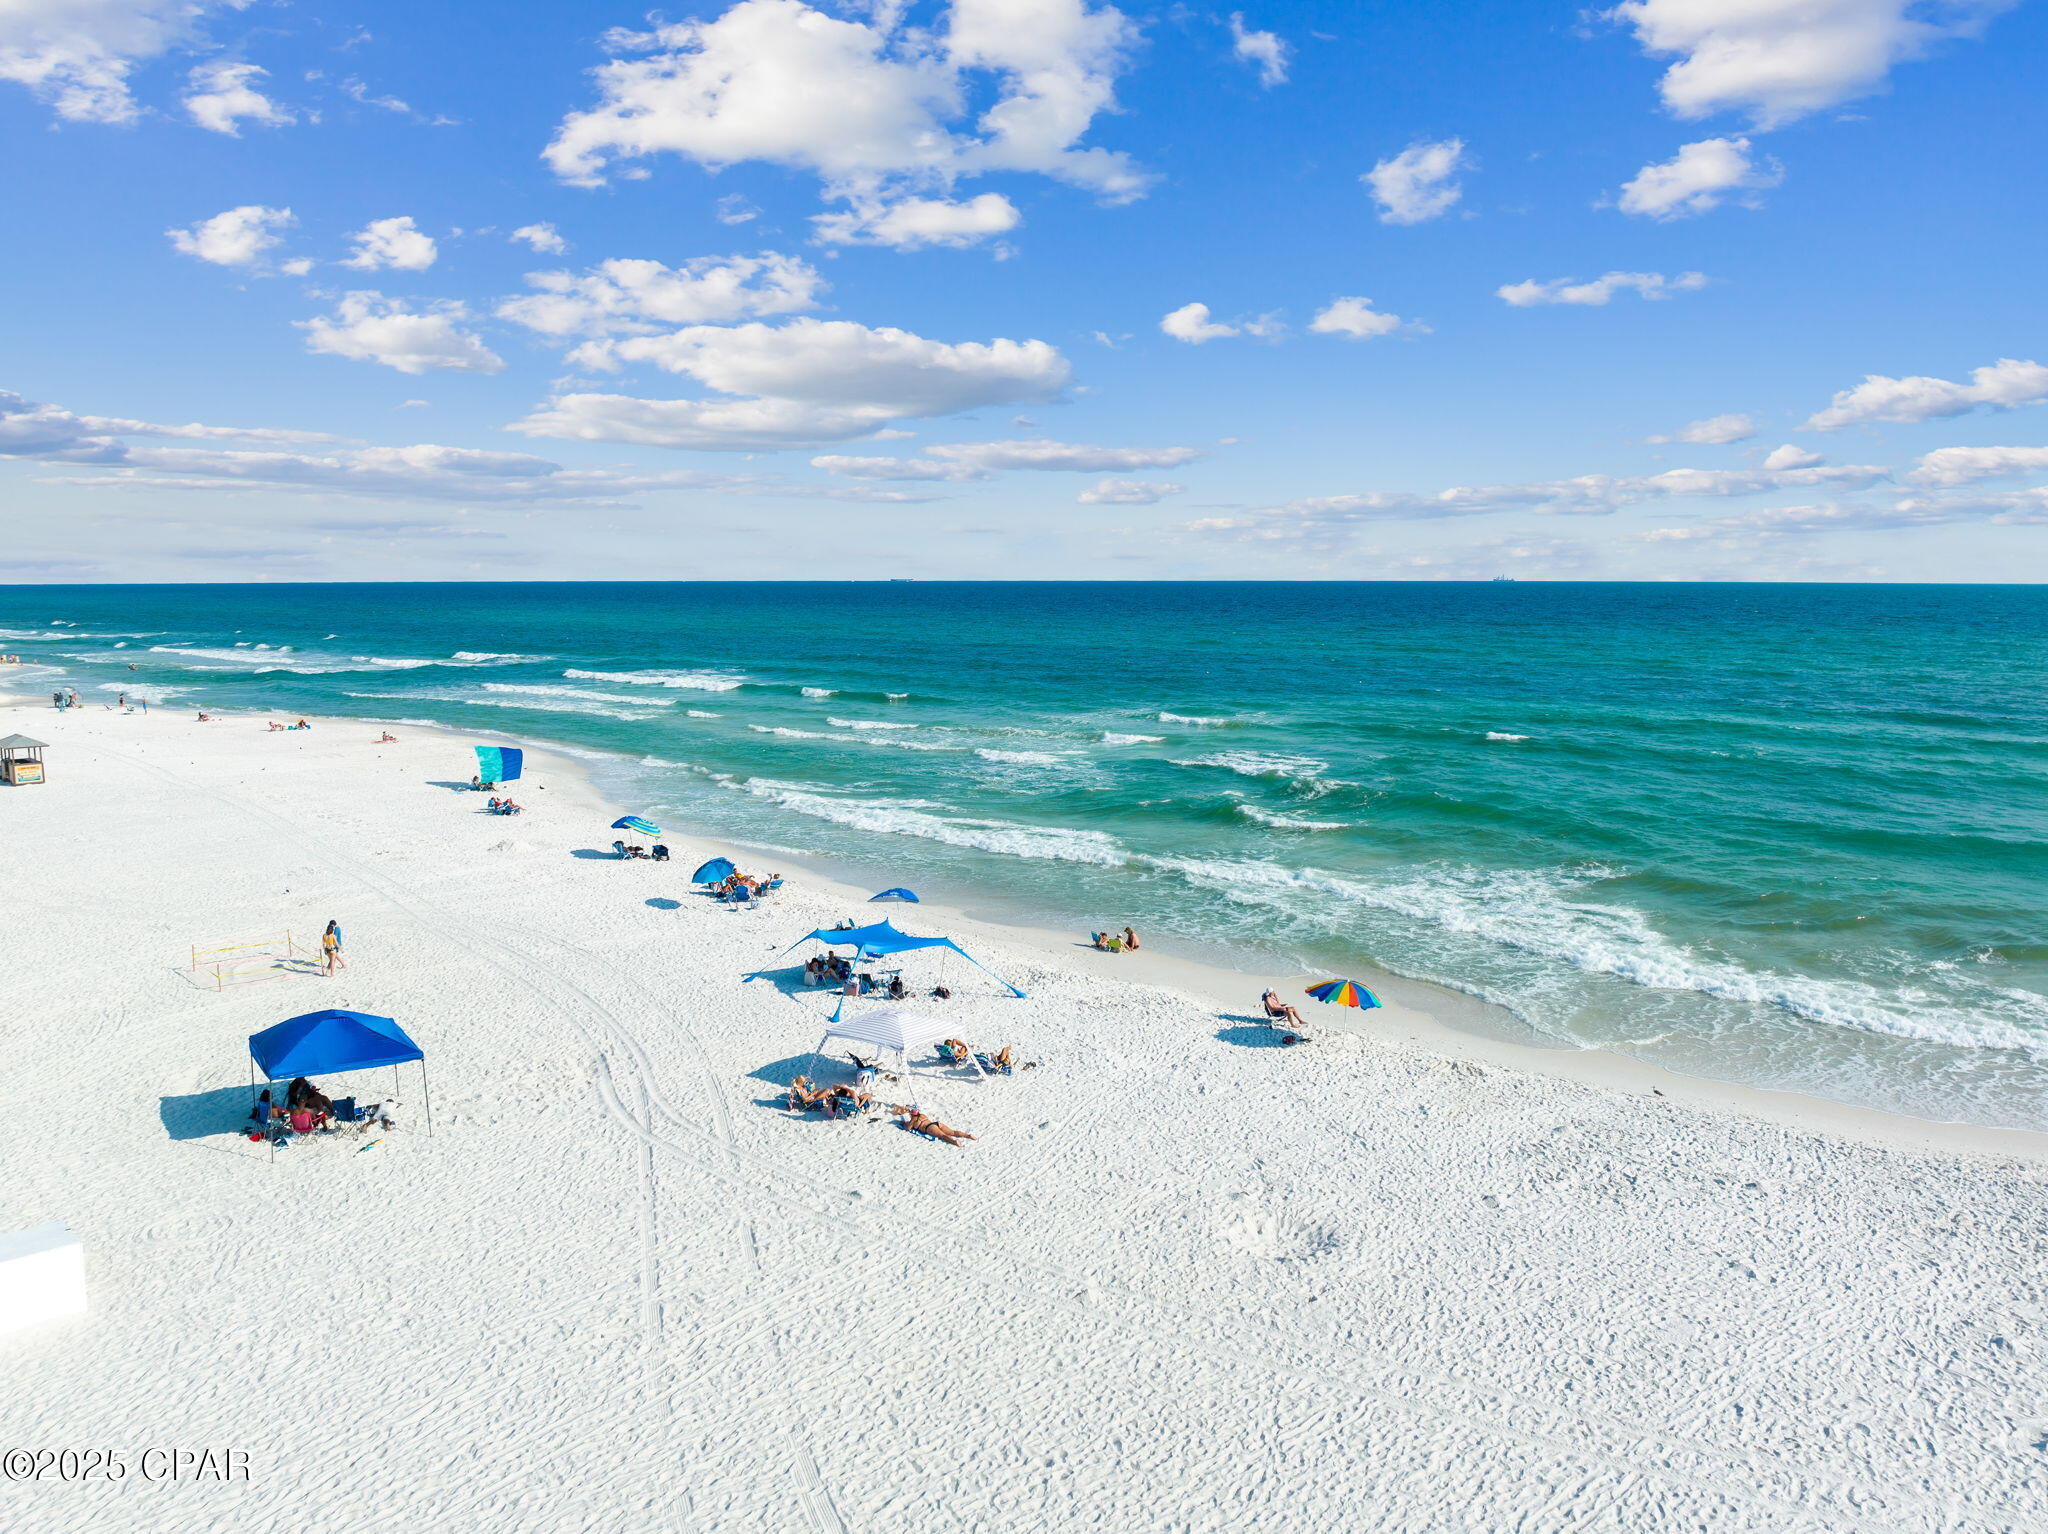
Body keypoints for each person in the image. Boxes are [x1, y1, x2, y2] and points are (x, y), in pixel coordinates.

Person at [892, 1107, 976, 1147]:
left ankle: (954, 1142)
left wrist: (903, 1123)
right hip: (936, 1124)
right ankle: (968, 1136)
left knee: (943, 1136)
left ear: (911, 1115)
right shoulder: (922, 1115)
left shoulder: (913, 1120)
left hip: (930, 1128)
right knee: (952, 1132)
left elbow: (908, 1128)